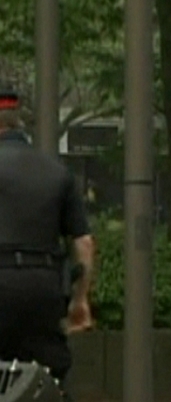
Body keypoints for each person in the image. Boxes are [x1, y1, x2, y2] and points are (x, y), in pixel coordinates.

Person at [0, 91, 95, 402]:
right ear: (19, 125)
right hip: (42, 289)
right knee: (47, 375)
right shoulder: (57, 172)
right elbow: (83, 243)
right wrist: (79, 301)